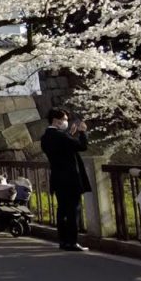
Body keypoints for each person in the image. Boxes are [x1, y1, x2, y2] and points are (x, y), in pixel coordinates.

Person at [41, 107, 91, 252]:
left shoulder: (46, 137)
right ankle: (73, 241)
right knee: (73, 210)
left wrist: (69, 135)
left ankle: (63, 241)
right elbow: (82, 146)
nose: (66, 122)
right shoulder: (62, 137)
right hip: (70, 179)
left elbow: (62, 149)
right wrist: (82, 132)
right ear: (56, 121)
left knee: (62, 210)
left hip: (57, 178)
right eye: (64, 120)